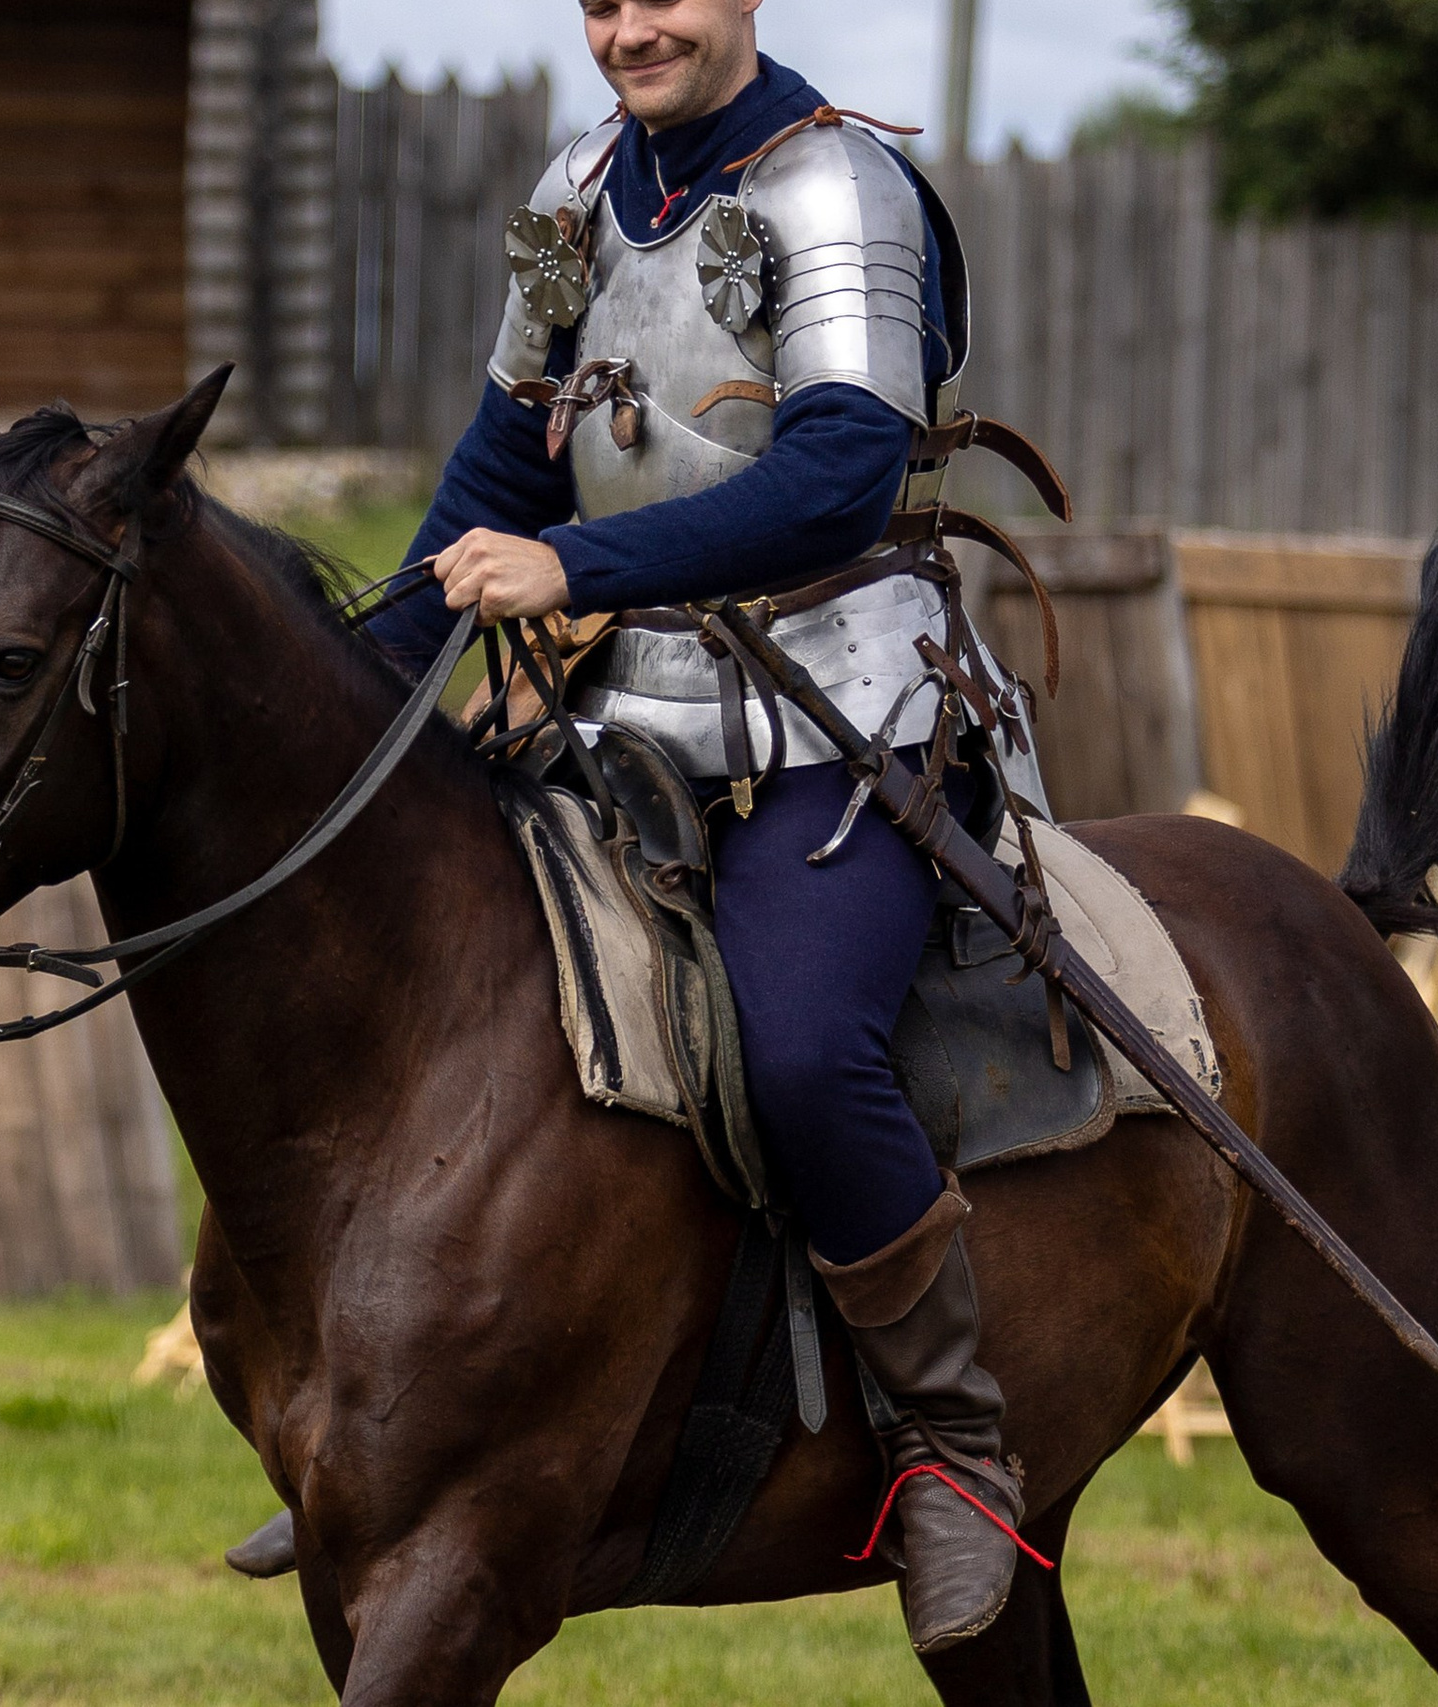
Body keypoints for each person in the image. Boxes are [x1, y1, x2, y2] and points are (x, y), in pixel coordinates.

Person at [356, 0, 1035, 1652]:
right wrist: (362, 681)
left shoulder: (838, 188)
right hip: (619, 725)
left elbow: (839, 476)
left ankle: (955, 1449)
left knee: (800, 1047)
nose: (628, 30)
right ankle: (422, 1431)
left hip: (842, 728)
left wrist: (574, 565)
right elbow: (504, 464)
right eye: (600, 2)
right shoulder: (581, 186)